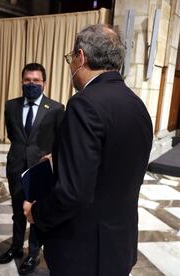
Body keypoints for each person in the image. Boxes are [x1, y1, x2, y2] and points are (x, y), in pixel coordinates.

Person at [23, 24, 153, 276]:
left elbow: (74, 193)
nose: (71, 66)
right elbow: (115, 163)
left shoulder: (84, 104)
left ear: (80, 57)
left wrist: (37, 213)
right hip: (119, 245)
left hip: (83, 251)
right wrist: (62, 157)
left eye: (70, 58)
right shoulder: (136, 104)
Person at [0, 63, 64, 274]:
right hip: (16, 165)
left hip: (40, 169)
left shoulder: (55, 108)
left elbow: (59, 139)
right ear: (22, 81)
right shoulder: (10, 105)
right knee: (17, 211)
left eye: (36, 81)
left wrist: (52, 156)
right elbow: (12, 134)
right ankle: (16, 247)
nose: (32, 84)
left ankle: (33, 253)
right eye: (27, 80)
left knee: (36, 213)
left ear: (44, 83)